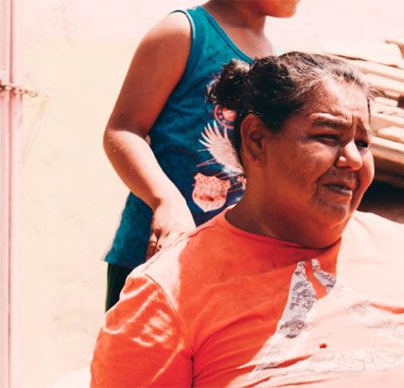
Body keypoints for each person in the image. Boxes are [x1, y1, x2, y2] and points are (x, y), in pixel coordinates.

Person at [91, 52, 404, 387]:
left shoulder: (401, 252)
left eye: (363, 143)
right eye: (328, 135)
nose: (351, 158)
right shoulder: (167, 293)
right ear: (256, 140)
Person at [102, 0, 300, 311]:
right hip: (156, 260)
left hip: (230, 266)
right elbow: (123, 130)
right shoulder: (184, 32)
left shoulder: (271, 55)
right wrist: (166, 201)